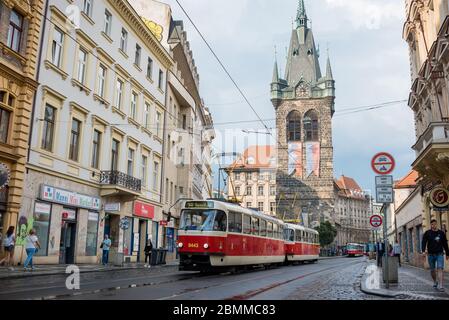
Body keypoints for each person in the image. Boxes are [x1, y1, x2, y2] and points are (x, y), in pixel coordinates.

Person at [421, 219, 449, 292]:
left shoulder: (441, 233)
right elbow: (424, 242)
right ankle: (435, 281)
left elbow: (445, 243)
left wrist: (447, 253)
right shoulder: (427, 233)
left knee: (440, 268)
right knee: (432, 270)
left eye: (435, 224)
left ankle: (441, 285)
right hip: (430, 254)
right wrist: (423, 251)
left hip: (439, 253)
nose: (434, 225)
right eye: (432, 224)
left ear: (437, 224)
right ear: (431, 225)